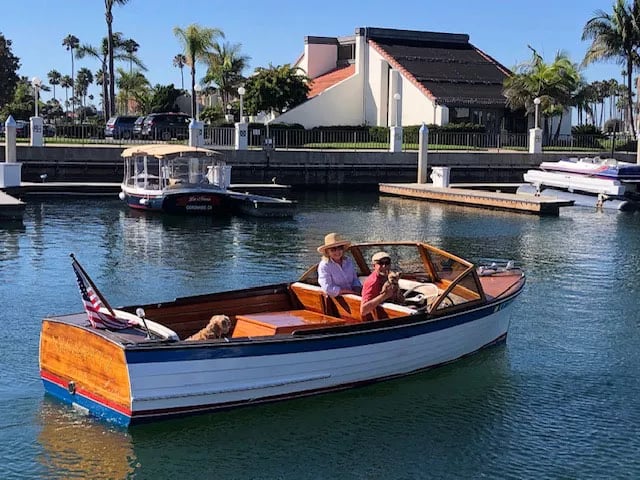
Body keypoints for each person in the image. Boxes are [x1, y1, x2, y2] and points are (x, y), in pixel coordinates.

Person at [317, 233, 362, 297]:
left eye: (339, 248)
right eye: (333, 250)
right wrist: (350, 292)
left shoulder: (348, 261)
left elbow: (355, 279)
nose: (337, 252)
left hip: (353, 296)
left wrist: (357, 290)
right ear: (327, 252)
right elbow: (328, 288)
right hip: (337, 300)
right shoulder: (324, 265)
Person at [360, 251, 398, 319]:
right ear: (374, 266)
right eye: (380, 263)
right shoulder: (372, 282)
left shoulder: (389, 277)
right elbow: (363, 310)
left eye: (387, 263)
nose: (384, 266)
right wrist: (384, 296)